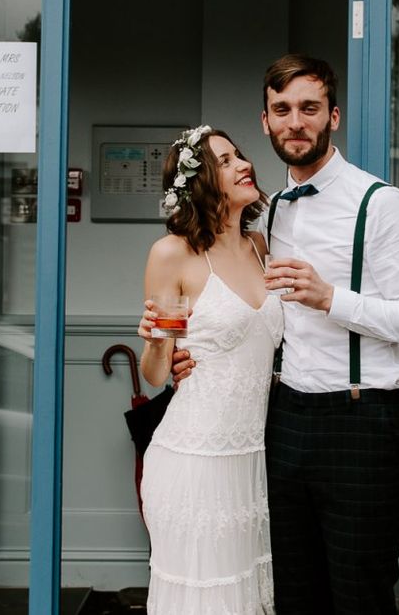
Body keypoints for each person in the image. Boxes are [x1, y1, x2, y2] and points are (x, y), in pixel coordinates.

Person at [172, 54, 399, 615]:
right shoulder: (268, 214)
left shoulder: (383, 205)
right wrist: (186, 354)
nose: (295, 122)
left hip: (362, 423)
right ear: (266, 122)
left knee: (359, 596)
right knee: (293, 595)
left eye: (309, 109)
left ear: (333, 117)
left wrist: (330, 298)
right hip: (284, 423)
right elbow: (242, 309)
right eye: (282, 110)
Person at [137, 125, 283, 614]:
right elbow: (156, 375)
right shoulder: (172, 253)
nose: (245, 164)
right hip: (193, 459)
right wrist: (158, 338)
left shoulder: (263, 247)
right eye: (226, 160)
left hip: (250, 460)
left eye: (240, 154)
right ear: (199, 181)